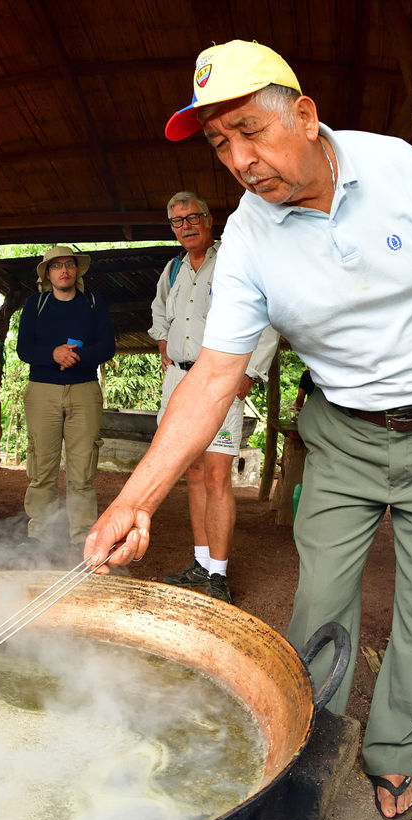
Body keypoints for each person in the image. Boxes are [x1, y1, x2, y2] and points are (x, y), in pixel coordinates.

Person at [86, 41, 412, 820]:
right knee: (320, 599)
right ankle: (301, 743)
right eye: (222, 144)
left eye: (251, 131)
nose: (241, 160)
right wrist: (137, 499)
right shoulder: (249, 241)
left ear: (305, 114)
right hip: (343, 438)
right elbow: (214, 378)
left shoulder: (399, 169)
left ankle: (393, 753)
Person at [150, 191, 280, 603]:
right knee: (192, 474)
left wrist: (251, 373)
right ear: (172, 229)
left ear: (209, 220)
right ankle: (201, 562)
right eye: (178, 221)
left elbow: (267, 318)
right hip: (180, 381)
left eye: (193, 217)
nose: (186, 226)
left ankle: (219, 574)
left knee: (219, 476)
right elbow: (160, 317)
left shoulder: (234, 262)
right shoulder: (172, 269)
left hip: (222, 381)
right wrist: (163, 348)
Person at [16, 245, 115, 554]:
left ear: (77, 270)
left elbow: (108, 347)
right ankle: (40, 536)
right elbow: (23, 349)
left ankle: (82, 536)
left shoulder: (93, 303)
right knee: (41, 467)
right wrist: (52, 354)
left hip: (84, 390)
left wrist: (76, 356)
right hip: (42, 390)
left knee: (82, 469)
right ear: (48, 273)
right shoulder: (36, 304)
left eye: (69, 264)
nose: (64, 270)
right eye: (56, 266)